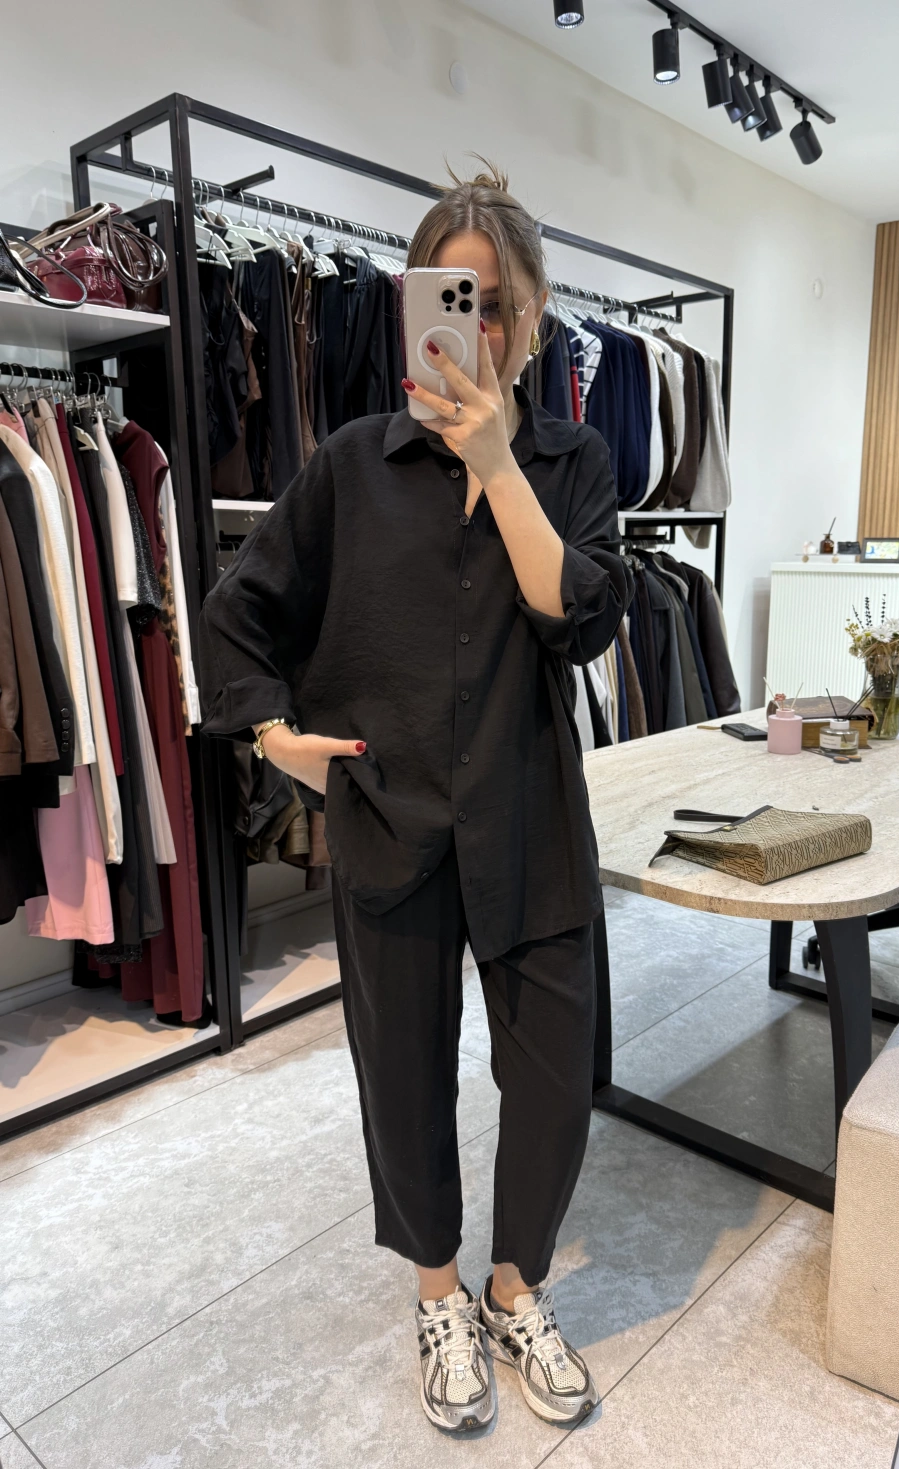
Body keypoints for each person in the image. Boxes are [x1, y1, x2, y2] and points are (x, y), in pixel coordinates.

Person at [198, 163, 632, 1434]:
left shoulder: (573, 460)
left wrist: (499, 461)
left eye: (495, 304)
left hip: (531, 818)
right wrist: (270, 733)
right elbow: (238, 610)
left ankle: (514, 1287)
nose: (475, 325)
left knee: (553, 1072)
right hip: (389, 819)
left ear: (533, 315)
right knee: (403, 1073)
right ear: (410, 308)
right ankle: (439, 1292)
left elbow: (581, 620)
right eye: (452, 298)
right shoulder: (351, 466)